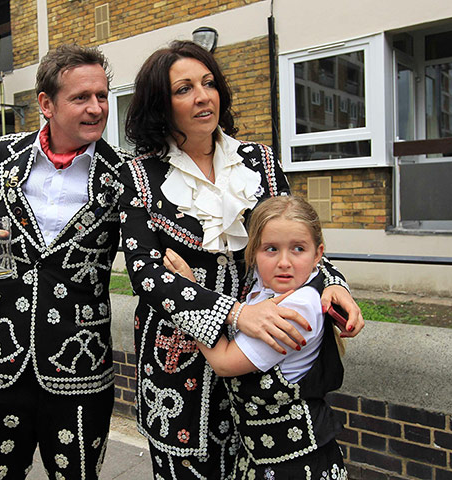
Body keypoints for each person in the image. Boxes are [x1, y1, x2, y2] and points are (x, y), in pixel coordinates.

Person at [119, 40, 363, 479]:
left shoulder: (258, 160)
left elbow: (295, 236)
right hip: (181, 359)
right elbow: (145, 273)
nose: (202, 96)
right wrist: (235, 313)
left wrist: (333, 284)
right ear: (160, 104)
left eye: (209, 83)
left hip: (261, 364)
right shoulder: (138, 174)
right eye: (184, 89)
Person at [0, 44, 132, 479]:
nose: (96, 108)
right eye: (81, 98)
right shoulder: (5, 154)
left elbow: (152, 251)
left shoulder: (125, 174)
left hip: (79, 364)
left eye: (102, 96)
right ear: (46, 104)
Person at [166, 196, 348, 479]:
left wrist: (191, 295)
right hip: (259, 456)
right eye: (271, 249)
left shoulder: (298, 308)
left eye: (298, 249)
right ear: (253, 253)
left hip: (296, 464)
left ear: (318, 254)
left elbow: (225, 362)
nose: (284, 262)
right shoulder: (261, 286)